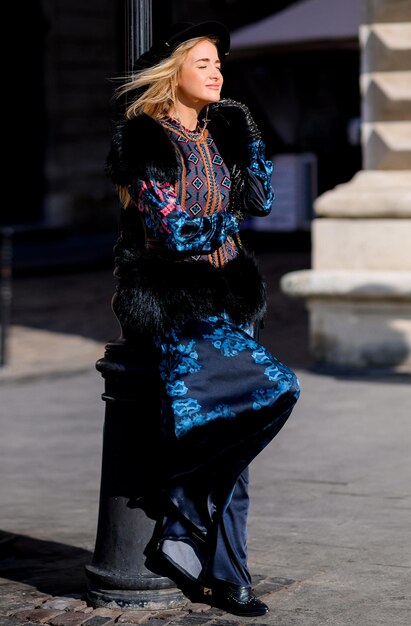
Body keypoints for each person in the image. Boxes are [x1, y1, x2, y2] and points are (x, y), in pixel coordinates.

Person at [105, 20, 300, 618]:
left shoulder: (219, 134)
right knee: (275, 388)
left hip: (232, 300)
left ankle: (224, 575)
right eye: (206, 63)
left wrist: (248, 137)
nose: (218, 72)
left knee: (237, 437)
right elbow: (170, 230)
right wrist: (224, 229)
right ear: (175, 74)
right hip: (178, 303)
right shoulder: (144, 138)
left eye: (220, 64)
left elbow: (261, 200)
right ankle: (180, 510)